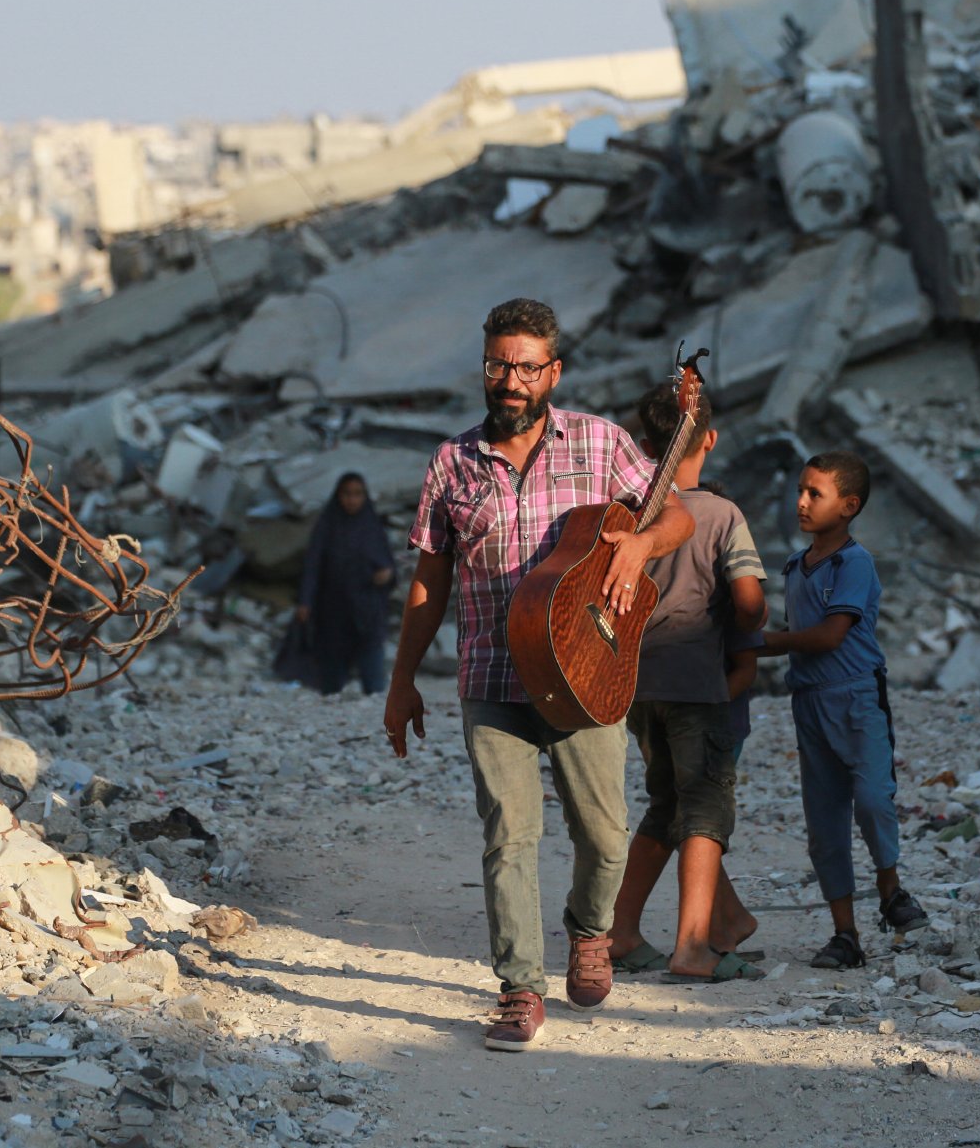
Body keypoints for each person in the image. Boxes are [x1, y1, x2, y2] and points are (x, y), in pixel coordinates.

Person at [383, 298, 695, 1053]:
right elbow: (430, 580)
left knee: (606, 834)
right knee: (509, 837)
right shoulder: (451, 463)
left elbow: (677, 514)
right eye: (499, 364)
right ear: (484, 366)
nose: (511, 380)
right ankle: (520, 987)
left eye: (527, 366)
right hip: (492, 672)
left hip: (586, 670)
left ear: (553, 371)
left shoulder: (599, 441)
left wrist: (637, 547)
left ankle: (589, 930)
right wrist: (402, 680)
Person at [607, 386, 768, 983]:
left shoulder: (631, 515)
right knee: (705, 810)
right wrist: (749, 620)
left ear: (646, 448)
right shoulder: (723, 515)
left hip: (635, 683)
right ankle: (693, 946)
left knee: (665, 807)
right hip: (698, 682)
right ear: (712, 438)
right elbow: (749, 604)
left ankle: (620, 931)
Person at [758, 451, 929, 970]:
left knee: (875, 798)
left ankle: (891, 888)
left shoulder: (854, 564)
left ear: (849, 506)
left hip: (855, 696)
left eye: (816, 494)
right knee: (824, 820)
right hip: (809, 701)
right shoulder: (794, 566)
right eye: (801, 491)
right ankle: (845, 934)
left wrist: (764, 643)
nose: (802, 502)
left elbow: (831, 635)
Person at [295, 472, 395, 695]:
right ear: (338, 496)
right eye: (347, 494)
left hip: (367, 609)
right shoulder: (327, 526)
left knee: (373, 676)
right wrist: (305, 601)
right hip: (333, 609)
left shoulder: (372, 527)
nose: (352, 500)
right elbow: (313, 565)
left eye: (357, 494)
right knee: (332, 675)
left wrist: (386, 575)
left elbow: (388, 565)